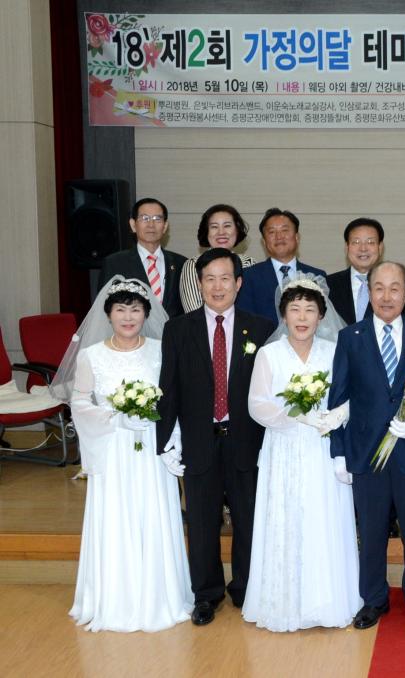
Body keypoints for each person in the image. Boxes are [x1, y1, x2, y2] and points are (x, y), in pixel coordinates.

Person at [51, 276, 193, 631]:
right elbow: (79, 402)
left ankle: (160, 596)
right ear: (108, 314)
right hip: (113, 448)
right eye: (120, 310)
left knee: (153, 513)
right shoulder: (91, 356)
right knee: (118, 515)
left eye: (135, 310)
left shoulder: (161, 350)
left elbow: (177, 398)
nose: (128, 317)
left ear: (147, 313)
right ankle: (117, 599)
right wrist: (115, 416)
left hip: (151, 449)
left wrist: (171, 437)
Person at [156, 248, 275, 626]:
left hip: (246, 441)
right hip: (199, 440)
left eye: (225, 278)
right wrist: (165, 440)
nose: (218, 286)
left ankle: (245, 588)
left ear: (238, 283)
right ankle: (205, 594)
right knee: (202, 523)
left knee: (248, 519)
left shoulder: (262, 328)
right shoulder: (178, 329)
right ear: (199, 283)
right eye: (209, 279)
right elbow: (168, 389)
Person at [243, 275, 360, 631]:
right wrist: (295, 415)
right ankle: (284, 603)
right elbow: (257, 404)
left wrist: (339, 414)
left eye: (310, 309)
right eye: (295, 309)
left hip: (323, 446)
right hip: (284, 447)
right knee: (287, 517)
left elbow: (352, 395)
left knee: (323, 517)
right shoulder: (269, 354)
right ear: (283, 314)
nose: (302, 316)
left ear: (322, 316)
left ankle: (326, 601)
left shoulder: (334, 352)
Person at [329, 261, 405, 632]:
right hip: (365, 453)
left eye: (395, 288)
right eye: (379, 287)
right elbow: (337, 399)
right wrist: (338, 453)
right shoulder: (350, 337)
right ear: (369, 292)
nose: (386, 296)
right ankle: (373, 599)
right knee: (371, 531)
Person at [99, 197, 186, 318]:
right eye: (145, 218)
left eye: (157, 219)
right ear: (133, 225)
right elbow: (104, 308)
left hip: (174, 330)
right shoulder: (114, 263)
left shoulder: (181, 263)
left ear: (165, 226)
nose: (151, 225)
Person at [237, 208, 326, 322]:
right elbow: (245, 319)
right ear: (264, 242)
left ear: (297, 237)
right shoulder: (248, 276)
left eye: (285, 230)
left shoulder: (317, 276)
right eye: (271, 232)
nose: (279, 236)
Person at [179, 204, 256, 313]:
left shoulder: (249, 263)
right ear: (207, 232)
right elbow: (193, 313)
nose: (221, 232)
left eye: (227, 226)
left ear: (237, 230)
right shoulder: (193, 265)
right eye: (214, 227)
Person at [326, 217, 384, 325]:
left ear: (380, 247)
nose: (363, 248)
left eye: (370, 242)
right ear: (347, 247)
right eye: (356, 242)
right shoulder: (328, 284)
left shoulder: (397, 285)